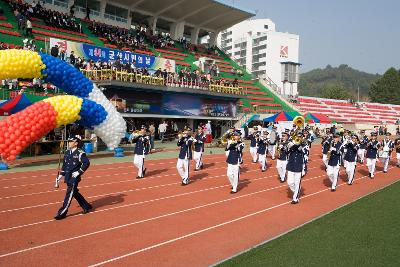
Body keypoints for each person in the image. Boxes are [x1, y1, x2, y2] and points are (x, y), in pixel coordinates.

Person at [54, 136, 92, 220]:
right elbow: (65, 165)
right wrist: (60, 175)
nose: (69, 143)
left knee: (69, 194)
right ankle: (86, 206)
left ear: (76, 143)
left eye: (71, 141)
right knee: (74, 192)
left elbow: (86, 163)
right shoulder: (67, 152)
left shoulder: (80, 152)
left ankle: (62, 212)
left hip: (74, 178)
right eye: (68, 141)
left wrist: (79, 172)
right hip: (68, 176)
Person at [286, 132, 307, 204]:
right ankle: (297, 190)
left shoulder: (304, 145)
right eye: (297, 137)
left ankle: (295, 198)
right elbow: (288, 151)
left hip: (298, 166)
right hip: (291, 165)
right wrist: (293, 143)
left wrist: (300, 144)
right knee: (289, 182)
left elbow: (299, 149)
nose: (299, 138)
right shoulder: (291, 144)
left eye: (300, 137)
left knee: (297, 183)